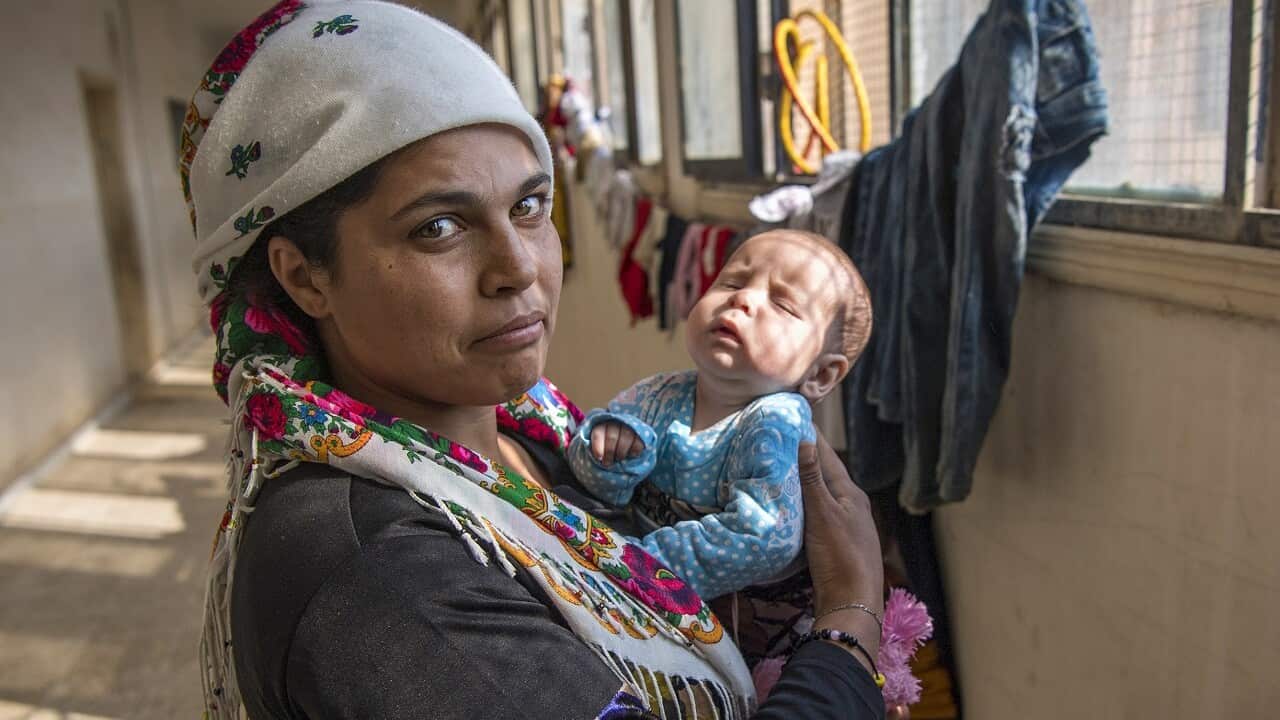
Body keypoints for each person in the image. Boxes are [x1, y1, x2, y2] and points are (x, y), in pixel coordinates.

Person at [185, 2, 889, 718]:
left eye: (529, 206)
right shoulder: (385, 579)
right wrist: (851, 629)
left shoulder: (534, 439)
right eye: (438, 226)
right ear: (305, 276)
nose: (518, 268)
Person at [567, 229, 872, 602]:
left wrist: (643, 565)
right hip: (640, 581)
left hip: (744, 620)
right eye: (731, 283)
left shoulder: (774, 423)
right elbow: (591, 481)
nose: (742, 299)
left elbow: (763, 538)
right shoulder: (659, 393)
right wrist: (607, 454)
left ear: (820, 374)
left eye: (783, 305)